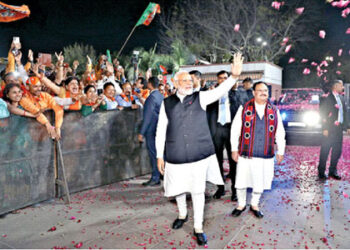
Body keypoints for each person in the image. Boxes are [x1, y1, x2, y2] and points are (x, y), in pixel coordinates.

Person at [156, 53, 244, 246]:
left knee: (197, 191)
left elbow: (220, 91)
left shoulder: (201, 98)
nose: (189, 82)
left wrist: (234, 77)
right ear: (175, 82)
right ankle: (182, 214)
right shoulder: (166, 103)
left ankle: (198, 227)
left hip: (198, 155)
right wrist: (159, 156)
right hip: (175, 154)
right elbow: (160, 130)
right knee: (178, 189)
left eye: (190, 80)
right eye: (184, 80)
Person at [230, 81, 285, 218]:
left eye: (265, 90)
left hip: (265, 153)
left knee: (259, 181)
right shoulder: (244, 108)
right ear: (254, 92)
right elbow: (235, 130)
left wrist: (281, 150)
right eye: (260, 90)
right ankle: (241, 204)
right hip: (246, 153)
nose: (263, 92)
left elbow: (280, 132)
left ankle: (255, 204)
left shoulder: (274, 110)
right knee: (241, 181)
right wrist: (234, 149)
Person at [207, 71, 247, 201]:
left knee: (233, 161)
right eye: (221, 78)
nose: (223, 80)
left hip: (231, 130)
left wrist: (233, 91)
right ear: (217, 80)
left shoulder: (237, 93)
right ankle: (220, 188)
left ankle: (235, 190)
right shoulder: (212, 93)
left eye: (226, 78)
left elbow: (241, 108)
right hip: (217, 130)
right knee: (217, 161)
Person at [318, 80, 350, 180]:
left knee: (337, 151)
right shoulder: (326, 98)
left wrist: (347, 126)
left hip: (338, 129)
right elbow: (323, 114)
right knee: (325, 150)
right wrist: (325, 128)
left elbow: (345, 113)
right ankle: (321, 171)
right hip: (329, 129)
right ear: (335, 86)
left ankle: (332, 171)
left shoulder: (341, 97)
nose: (343, 88)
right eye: (341, 86)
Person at [138, 76, 164, 186]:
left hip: (152, 130)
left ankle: (155, 177)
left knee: (154, 154)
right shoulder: (160, 96)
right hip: (160, 128)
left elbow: (148, 117)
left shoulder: (151, 98)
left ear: (149, 84)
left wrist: (141, 132)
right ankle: (162, 174)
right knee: (161, 153)